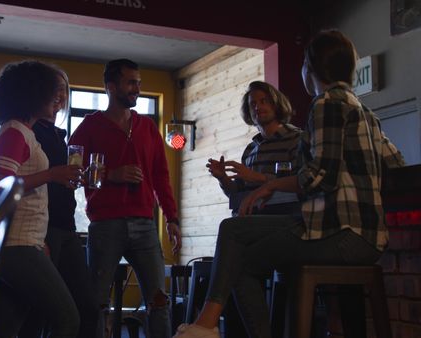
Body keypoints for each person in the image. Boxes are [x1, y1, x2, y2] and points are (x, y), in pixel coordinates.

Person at [174, 30, 405, 338]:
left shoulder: (326, 104)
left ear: (310, 69)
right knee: (233, 230)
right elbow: (397, 168)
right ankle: (206, 323)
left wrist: (268, 185)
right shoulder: (366, 112)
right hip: (367, 236)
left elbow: (320, 175)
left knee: (239, 259)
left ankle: (207, 325)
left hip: (340, 233)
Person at [68, 58, 182, 338]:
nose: (137, 89)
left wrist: (172, 218)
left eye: (139, 83)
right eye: (131, 82)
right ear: (110, 87)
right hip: (105, 226)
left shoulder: (148, 128)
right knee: (96, 303)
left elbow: (161, 177)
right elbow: (71, 174)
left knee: (159, 302)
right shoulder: (89, 127)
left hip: (145, 226)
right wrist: (112, 175)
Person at [0, 60, 82, 338]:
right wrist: (52, 174)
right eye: (52, 92)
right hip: (17, 245)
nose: (58, 99)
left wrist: (39, 243)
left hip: (24, 243)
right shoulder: (14, 131)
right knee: (67, 320)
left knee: (4, 329)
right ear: (32, 94)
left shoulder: (25, 132)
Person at [207, 81, 302, 216]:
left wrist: (258, 177)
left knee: (228, 228)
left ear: (276, 105)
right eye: (253, 104)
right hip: (252, 218)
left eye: (264, 101)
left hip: (285, 219)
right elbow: (237, 194)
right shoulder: (250, 150)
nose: (258, 107)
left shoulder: (297, 139)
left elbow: (303, 182)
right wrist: (222, 178)